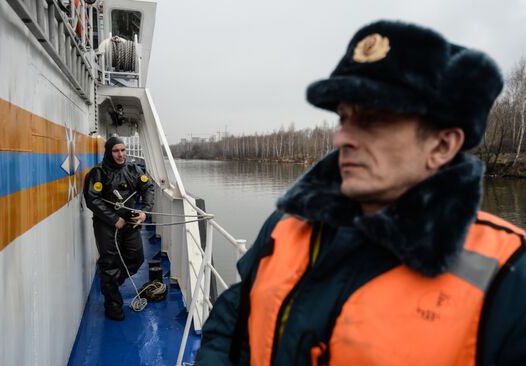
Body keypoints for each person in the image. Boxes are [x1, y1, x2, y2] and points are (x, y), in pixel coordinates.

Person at [196, 20, 526, 365]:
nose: (341, 139)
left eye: (372, 120)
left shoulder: (509, 277)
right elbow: (232, 319)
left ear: (442, 145)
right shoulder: (287, 224)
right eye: (344, 119)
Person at [84, 136, 155, 320]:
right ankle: (113, 306)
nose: (121, 154)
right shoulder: (98, 173)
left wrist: (145, 212)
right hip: (106, 224)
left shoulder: (133, 169)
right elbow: (92, 198)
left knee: (136, 257)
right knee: (110, 263)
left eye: (123, 150)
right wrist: (114, 219)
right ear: (108, 152)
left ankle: (112, 283)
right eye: (116, 151)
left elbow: (148, 187)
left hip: (131, 221)